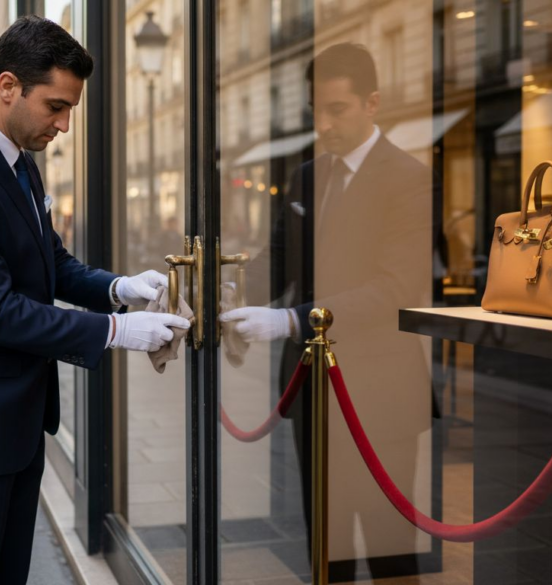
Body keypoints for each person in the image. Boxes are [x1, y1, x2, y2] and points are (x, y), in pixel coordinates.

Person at [0, 16, 190, 584]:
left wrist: (118, 287)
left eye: (69, 108)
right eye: (56, 106)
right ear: (8, 86)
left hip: (13, 423)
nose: (65, 124)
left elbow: (51, 265)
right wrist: (116, 331)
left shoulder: (17, 161)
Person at [221, 43, 434, 573]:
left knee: (390, 551)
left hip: (378, 399)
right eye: (317, 110)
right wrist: (231, 295)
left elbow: (398, 287)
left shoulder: (408, 177)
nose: (325, 123)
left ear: (373, 103)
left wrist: (293, 319)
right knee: (325, 547)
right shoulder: (307, 175)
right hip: (313, 391)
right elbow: (279, 257)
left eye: (337, 109)